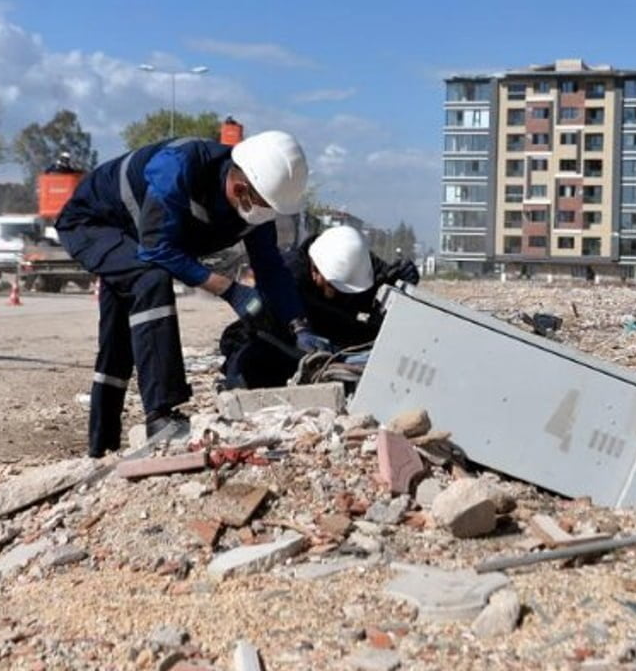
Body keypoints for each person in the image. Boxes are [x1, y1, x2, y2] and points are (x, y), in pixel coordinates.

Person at [55, 130, 331, 457]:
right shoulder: (177, 168)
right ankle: (161, 415)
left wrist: (299, 326)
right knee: (151, 279)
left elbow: (270, 268)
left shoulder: (254, 206)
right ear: (239, 187)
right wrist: (229, 290)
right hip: (94, 223)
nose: (266, 215)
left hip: (135, 239)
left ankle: (102, 449)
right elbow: (158, 248)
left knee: (118, 338)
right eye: (264, 206)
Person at [219, 225, 419, 389]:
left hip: (335, 333)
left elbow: (384, 275)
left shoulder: (352, 261)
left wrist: (404, 275)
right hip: (292, 338)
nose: (339, 293)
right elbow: (261, 327)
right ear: (315, 271)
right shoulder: (290, 277)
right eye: (334, 287)